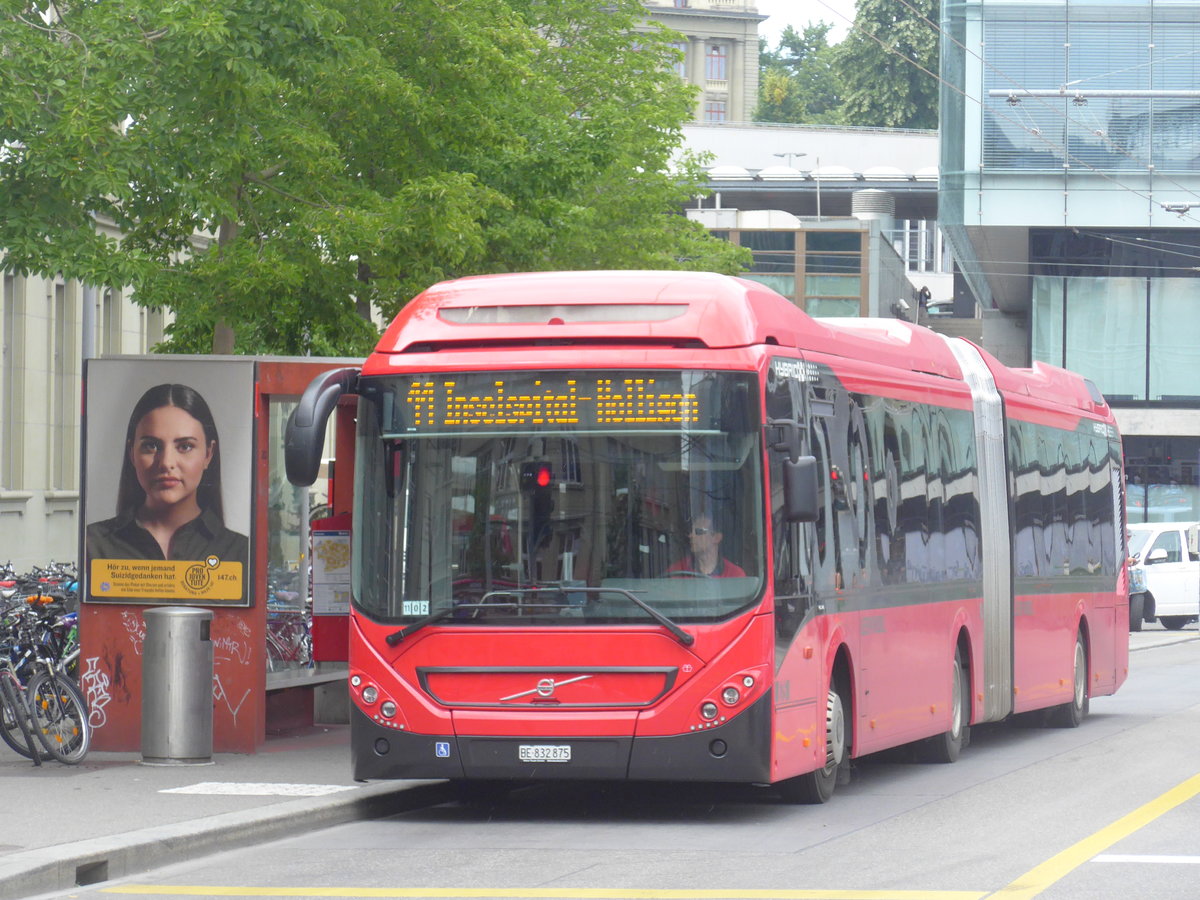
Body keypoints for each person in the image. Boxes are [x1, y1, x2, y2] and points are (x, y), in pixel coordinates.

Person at [86, 383, 248, 569]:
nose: (166, 462)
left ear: (208, 454)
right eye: (151, 446)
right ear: (132, 453)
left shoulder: (241, 552)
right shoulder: (93, 544)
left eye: (185, 446)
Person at [668, 513, 746, 578]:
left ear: (716, 537)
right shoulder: (676, 572)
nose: (691, 535)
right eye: (691, 531)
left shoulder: (735, 575)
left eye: (698, 531)